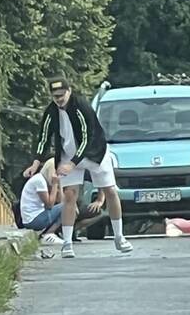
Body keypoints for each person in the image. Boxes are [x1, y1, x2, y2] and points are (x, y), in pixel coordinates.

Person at [23, 77, 131, 258]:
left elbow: (87, 138)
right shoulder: (51, 111)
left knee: (110, 191)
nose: (59, 99)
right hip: (67, 155)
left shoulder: (81, 106)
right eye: (55, 96)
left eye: (61, 95)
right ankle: (67, 243)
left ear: (69, 91)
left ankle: (119, 237)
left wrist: (73, 163)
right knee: (70, 195)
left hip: (94, 152)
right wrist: (36, 163)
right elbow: (43, 136)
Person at [19, 158, 106, 243]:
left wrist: (100, 200)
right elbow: (50, 205)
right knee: (67, 207)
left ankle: (69, 232)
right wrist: (55, 185)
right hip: (34, 220)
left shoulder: (43, 180)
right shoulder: (40, 181)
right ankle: (48, 234)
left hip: (37, 216)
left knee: (73, 208)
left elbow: (98, 179)